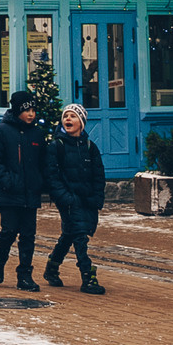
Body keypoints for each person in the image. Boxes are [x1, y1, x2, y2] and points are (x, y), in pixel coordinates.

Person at [0, 90, 48, 292]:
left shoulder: (37, 134)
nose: (31, 114)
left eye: (33, 110)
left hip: (31, 193)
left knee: (28, 235)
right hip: (9, 193)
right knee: (9, 230)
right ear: (17, 110)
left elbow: (44, 162)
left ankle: (25, 275)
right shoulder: (1, 131)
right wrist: (7, 181)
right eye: (27, 110)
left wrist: (41, 183)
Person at [43, 103, 108, 295]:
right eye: (65, 116)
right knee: (80, 236)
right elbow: (52, 176)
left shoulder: (90, 147)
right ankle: (88, 276)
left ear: (81, 122)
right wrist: (64, 197)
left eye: (73, 116)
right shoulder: (57, 146)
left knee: (70, 234)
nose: (68, 119)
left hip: (87, 199)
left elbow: (98, 175)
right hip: (69, 199)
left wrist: (97, 197)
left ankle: (52, 267)